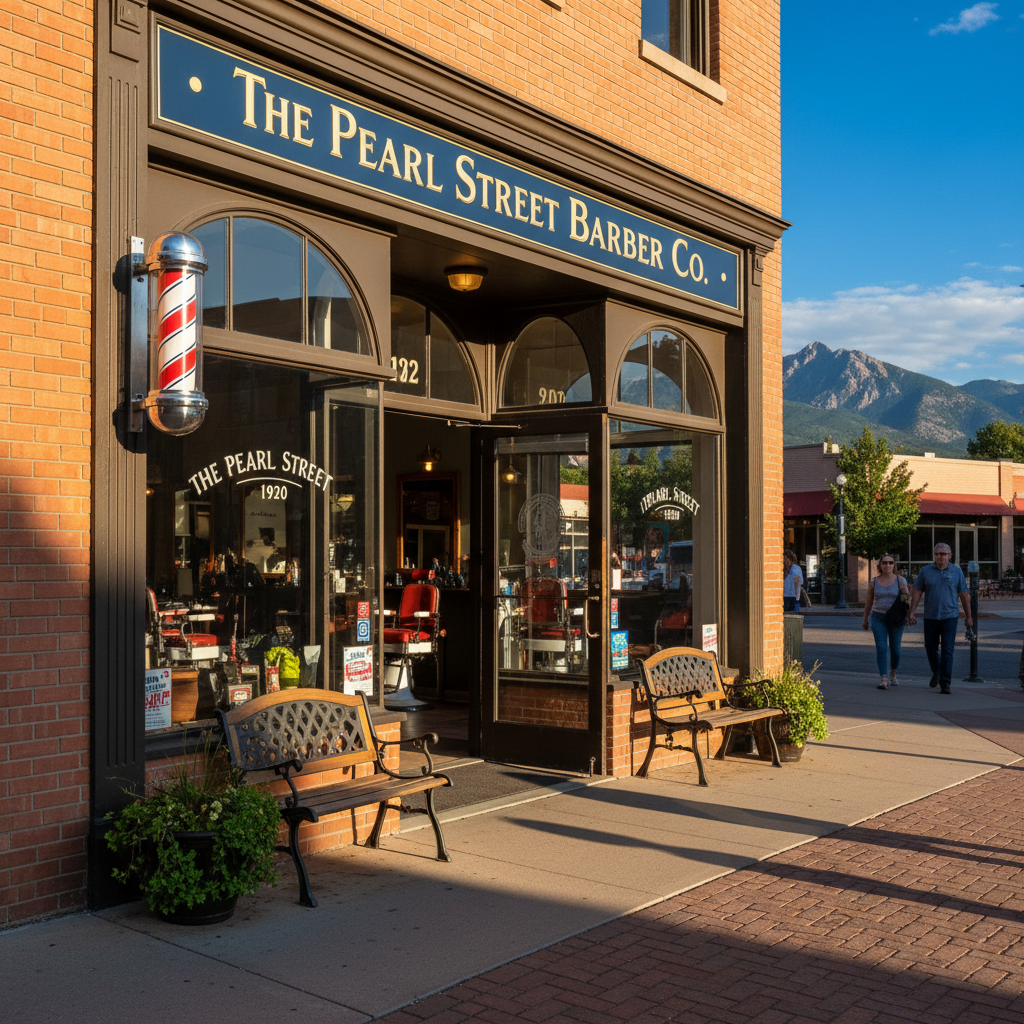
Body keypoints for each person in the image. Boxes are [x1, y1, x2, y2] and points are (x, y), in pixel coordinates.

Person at [907, 543, 972, 694]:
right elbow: (917, 592)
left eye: (943, 554)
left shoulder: (956, 571)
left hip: (950, 617)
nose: (940, 557)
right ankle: (936, 671)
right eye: (937, 554)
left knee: (948, 650)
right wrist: (911, 612)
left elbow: (964, 594)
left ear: (950, 555)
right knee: (930, 648)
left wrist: (969, 616)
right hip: (930, 616)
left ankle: (945, 682)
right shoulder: (925, 571)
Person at [861, 553, 910, 689]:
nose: (887, 565)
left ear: (894, 565)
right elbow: (869, 601)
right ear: (880, 565)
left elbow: (906, 600)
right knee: (881, 648)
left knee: (895, 650)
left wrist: (908, 614)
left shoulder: (900, 580)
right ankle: (884, 678)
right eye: (884, 563)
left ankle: (893, 672)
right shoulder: (874, 581)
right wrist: (865, 618)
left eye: (890, 563)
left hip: (896, 618)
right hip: (878, 617)